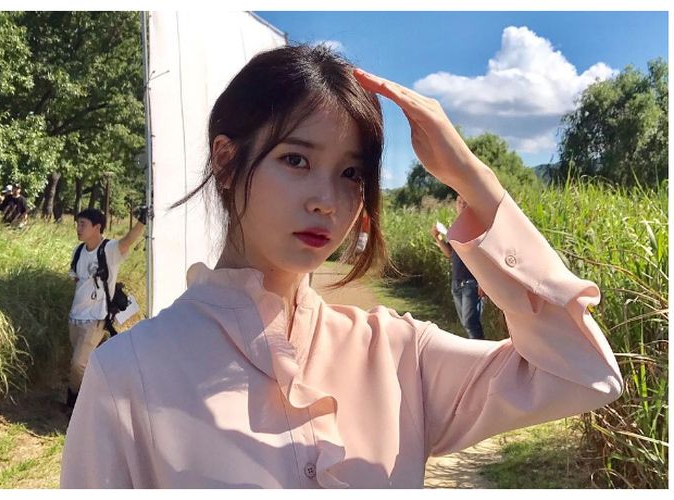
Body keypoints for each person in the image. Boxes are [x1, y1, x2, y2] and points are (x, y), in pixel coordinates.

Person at [61, 45, 622, 488]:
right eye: (296, 159)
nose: (327, 201)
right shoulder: (129, 375)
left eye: (351, 173)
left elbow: (584, 374)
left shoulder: (398, 355)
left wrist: (475, 182)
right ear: (226, 163)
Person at [64, 207, 147, 411]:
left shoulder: (109, 249)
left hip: (96, 318)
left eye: (83, 224)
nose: (78, 228)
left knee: (78, 364)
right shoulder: (78, 251)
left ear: (97, 227)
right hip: (76, 316)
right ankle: (95, 396)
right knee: (85, 363)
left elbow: (127, 241)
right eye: (77, 224)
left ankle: (77, 403)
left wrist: (142, 221)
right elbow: (76, 280)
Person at [431, 195, 486, 340]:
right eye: (459, 201)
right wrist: (438, 237)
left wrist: (483, 281)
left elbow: (483, 255)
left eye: (465, 202)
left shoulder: (477, 226)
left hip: (471, 283)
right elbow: (450, 253)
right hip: (457, 282)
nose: (461, 205)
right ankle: (477, 350)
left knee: (470, 324)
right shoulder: (456, 227)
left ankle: (479, 351)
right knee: (467, 324)